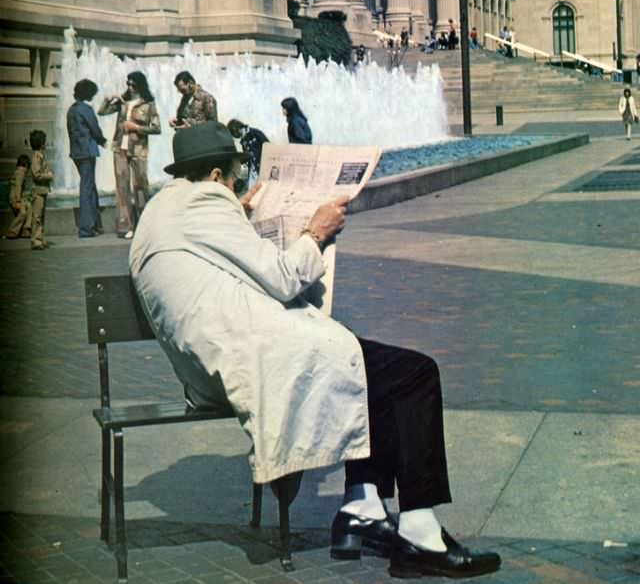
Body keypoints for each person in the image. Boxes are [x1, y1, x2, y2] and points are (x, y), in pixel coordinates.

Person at [129, 123, 501, 580]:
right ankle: (419, 533)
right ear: (214, 176)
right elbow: (285, 277)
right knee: (414, 373)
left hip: (207, 369)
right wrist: (316, 232)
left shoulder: (166, 209)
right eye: (236, 177)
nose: (239, 185)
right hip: (253, 361)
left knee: (366, 365)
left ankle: (362, 504)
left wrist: (238, 214)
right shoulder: (206, 206)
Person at [98, 71, 161, 239]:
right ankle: (125, 226)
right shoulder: (122, 102)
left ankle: (144, 225)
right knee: (121, 187)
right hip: (120, 148)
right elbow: (101, 112)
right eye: (128, 84)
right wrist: (108, 98)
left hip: (138, 149)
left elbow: (157, 128)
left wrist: (136, 127)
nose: (130, 87)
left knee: (141, 186)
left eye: (133, 84)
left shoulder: (148, 104)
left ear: (140, 85)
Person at [66, 78, 107, 238]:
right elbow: (95, 130)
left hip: (76, 152)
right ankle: (86, 227)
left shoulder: (71, 110)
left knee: (89, 186)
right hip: (87, 152)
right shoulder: (86, 110)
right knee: (87, 187)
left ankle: (94, 223)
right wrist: (102, 141)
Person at [29, 129, 54, 250]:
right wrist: (49, 175)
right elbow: (36, 174)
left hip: (42, 190)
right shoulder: (36, 157)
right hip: (38, 191)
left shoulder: (40, 156)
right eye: (45, 141)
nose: (46, 144)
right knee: (37, 217)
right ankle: (35, 240)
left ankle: (39, 239)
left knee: (41, 216)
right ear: (41, 143)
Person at [5, 155, 32, 239]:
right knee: (23, 212)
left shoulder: (18, 171)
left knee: (30, 206)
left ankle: (26, 229)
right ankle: (12, 231)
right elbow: (18, 186)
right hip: (14, 198)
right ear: (26, 165)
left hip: (16, 197)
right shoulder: (21, 172)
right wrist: (18, 201)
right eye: (28, 167)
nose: (28, 171)